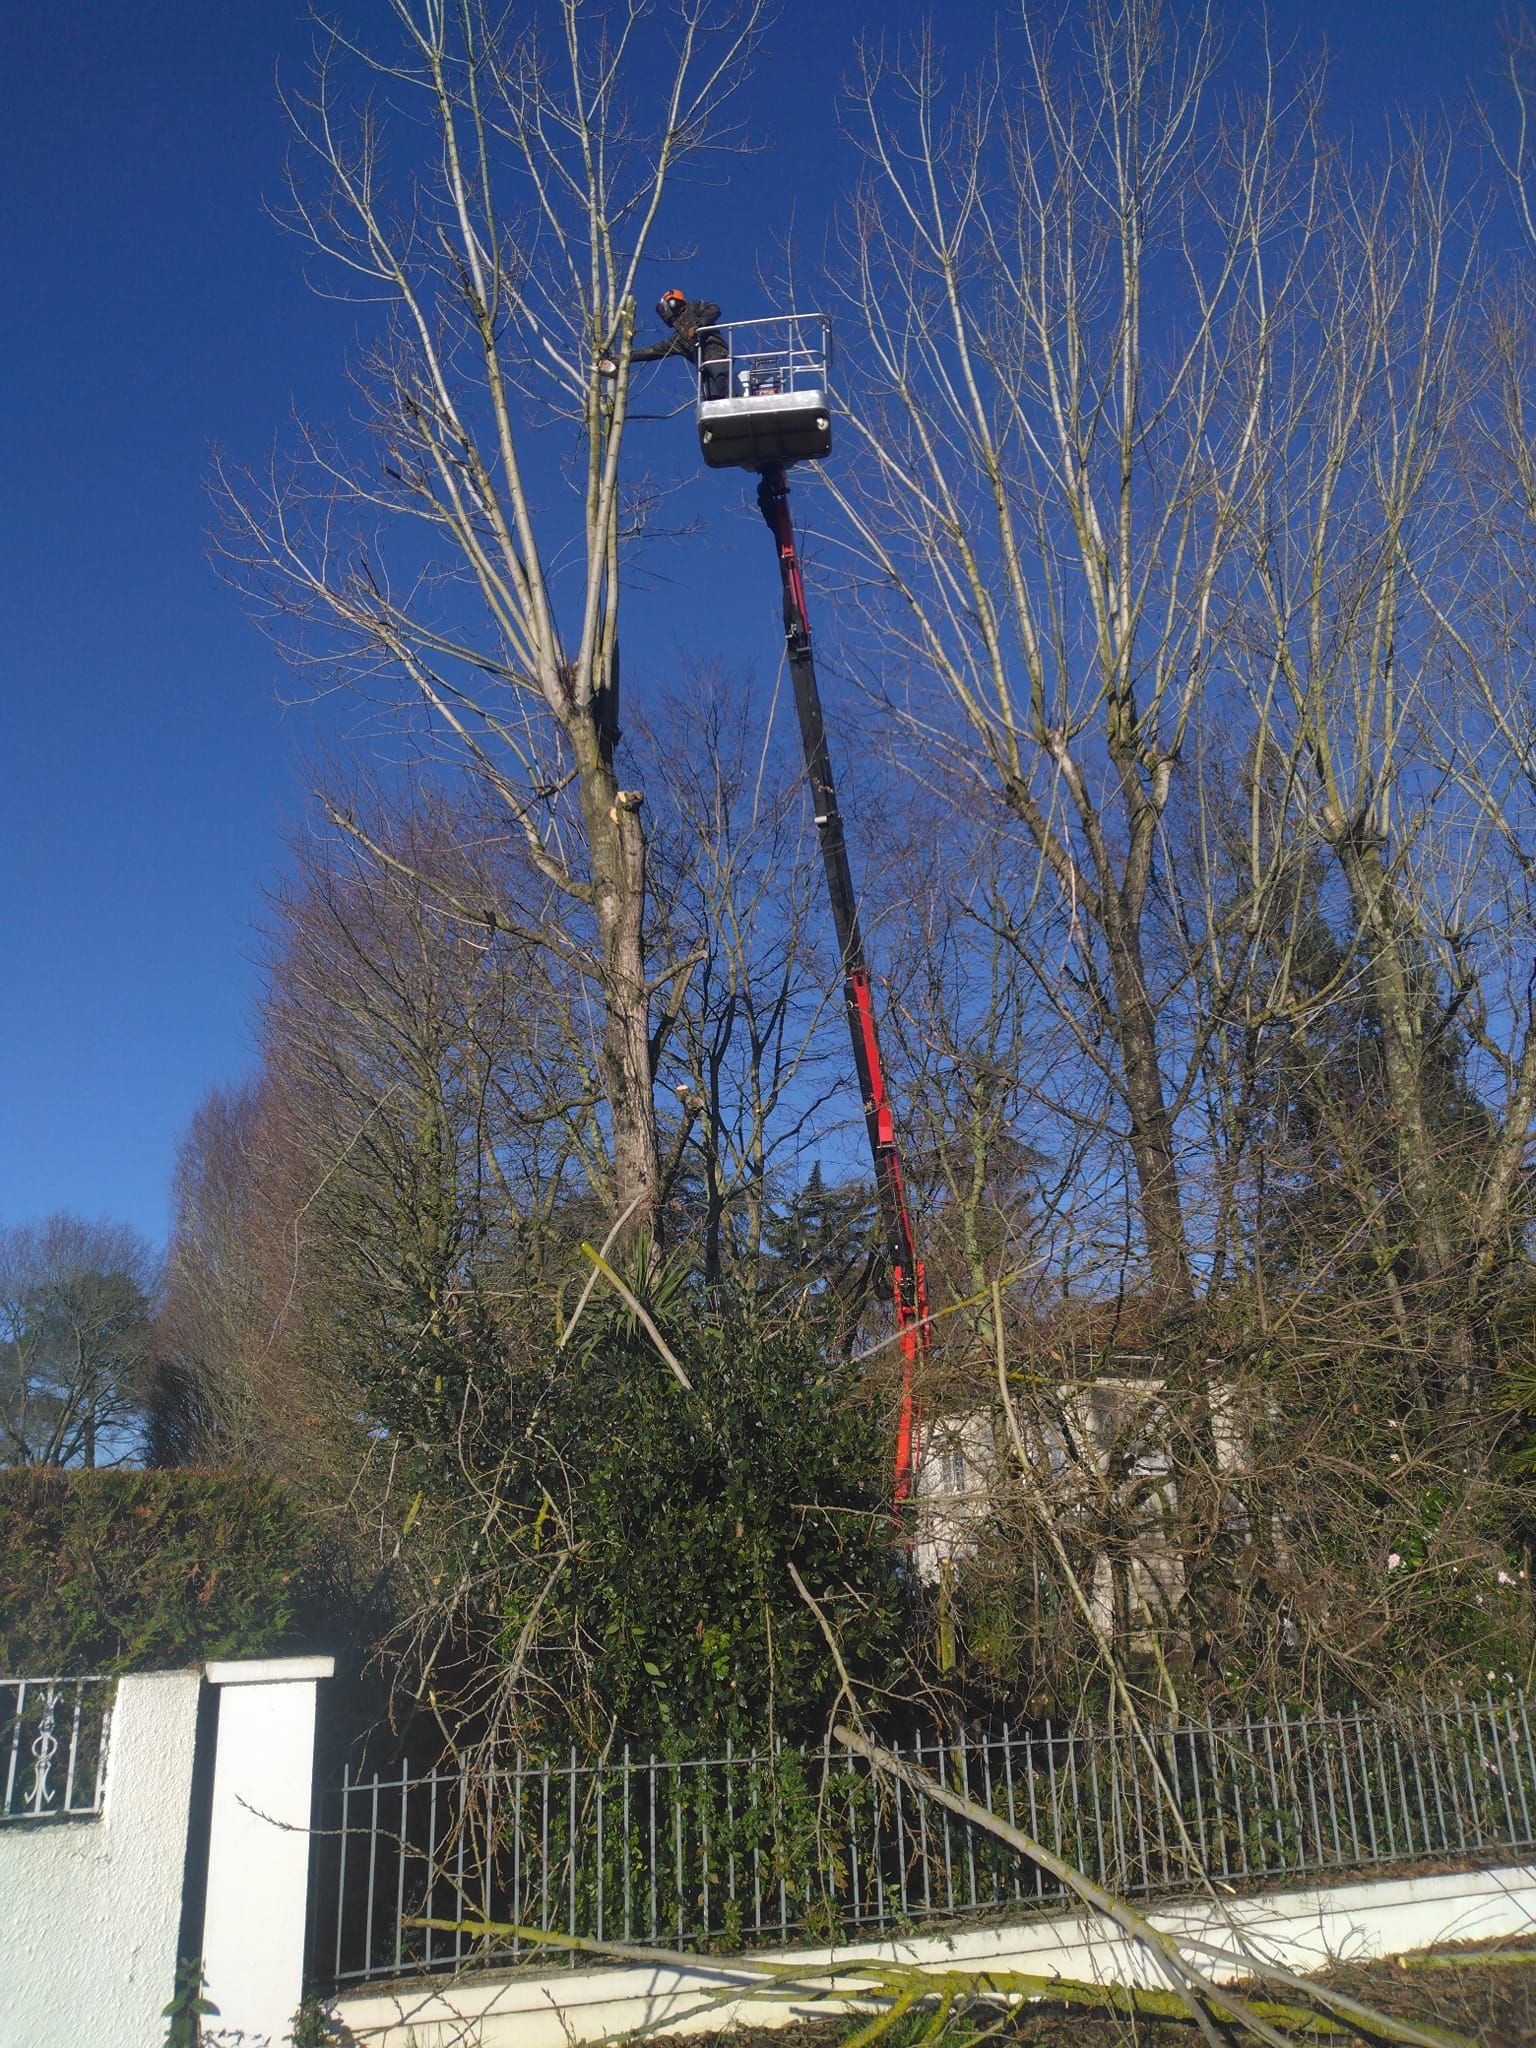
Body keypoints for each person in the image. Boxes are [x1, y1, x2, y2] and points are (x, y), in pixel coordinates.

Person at [630, 289, 729, 399]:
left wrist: (699, 325)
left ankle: (729, 399)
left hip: (715, 350)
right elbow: (653, 351)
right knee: (710, 393)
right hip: (703, 366)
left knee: (719, 376)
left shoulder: (693, 307)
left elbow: (713, 309)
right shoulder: (678, 340)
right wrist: (627, 357)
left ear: (671, 304)